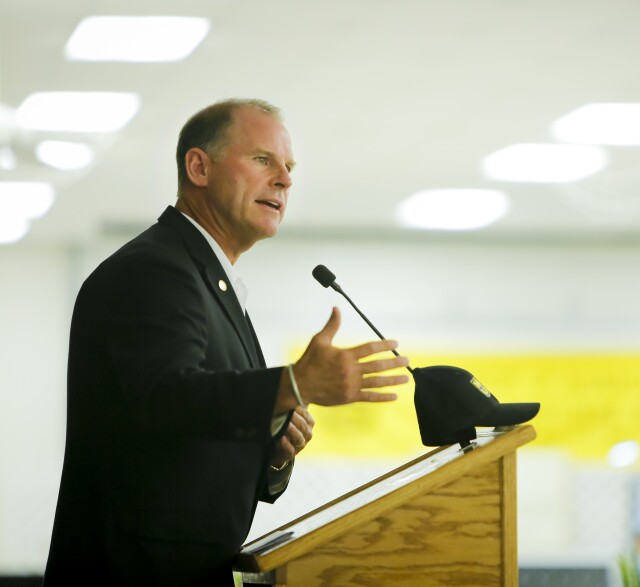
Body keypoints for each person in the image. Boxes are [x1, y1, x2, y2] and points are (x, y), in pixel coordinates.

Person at [42, 98, 410, 586]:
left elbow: (192, 442)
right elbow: (165, 398)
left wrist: (273, 451)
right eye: (263, 160)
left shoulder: (207, 280)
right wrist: (292, 385)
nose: (285, 179)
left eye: (289, 167)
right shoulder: (156, 270)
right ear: (199, 167)